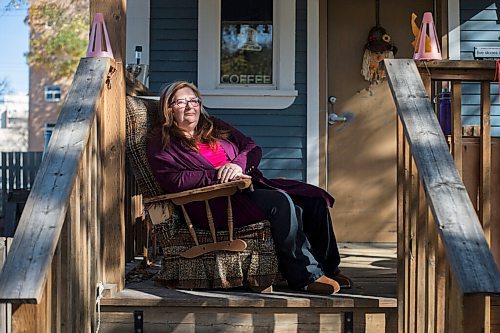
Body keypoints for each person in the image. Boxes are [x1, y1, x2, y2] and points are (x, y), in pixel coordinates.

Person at [146, 81, 351, 295]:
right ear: (169, 108)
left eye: (194, 100)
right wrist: (218, 175)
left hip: (245, 188)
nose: (190, 106)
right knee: (279, 203)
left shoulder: (213, 125)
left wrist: (237, 165)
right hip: (214, 203)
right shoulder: (162, 142)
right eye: (181, 102)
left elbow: (251, 147)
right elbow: (174, 180)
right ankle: (305, 276)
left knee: (312, 199)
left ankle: (328, 268)